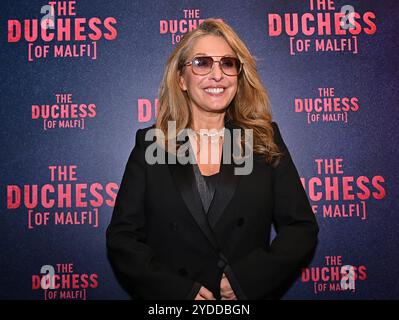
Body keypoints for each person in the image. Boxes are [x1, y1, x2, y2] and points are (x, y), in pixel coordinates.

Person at [106, 19, 319, 300]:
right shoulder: (152, 144)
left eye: (227, 63)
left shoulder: (263, 140)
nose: (217, 75)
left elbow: (301, 228)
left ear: (238, 75)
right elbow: (123, 239)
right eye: (202, 63)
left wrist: (246, 280)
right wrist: (178, 291)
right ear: (181, 79)